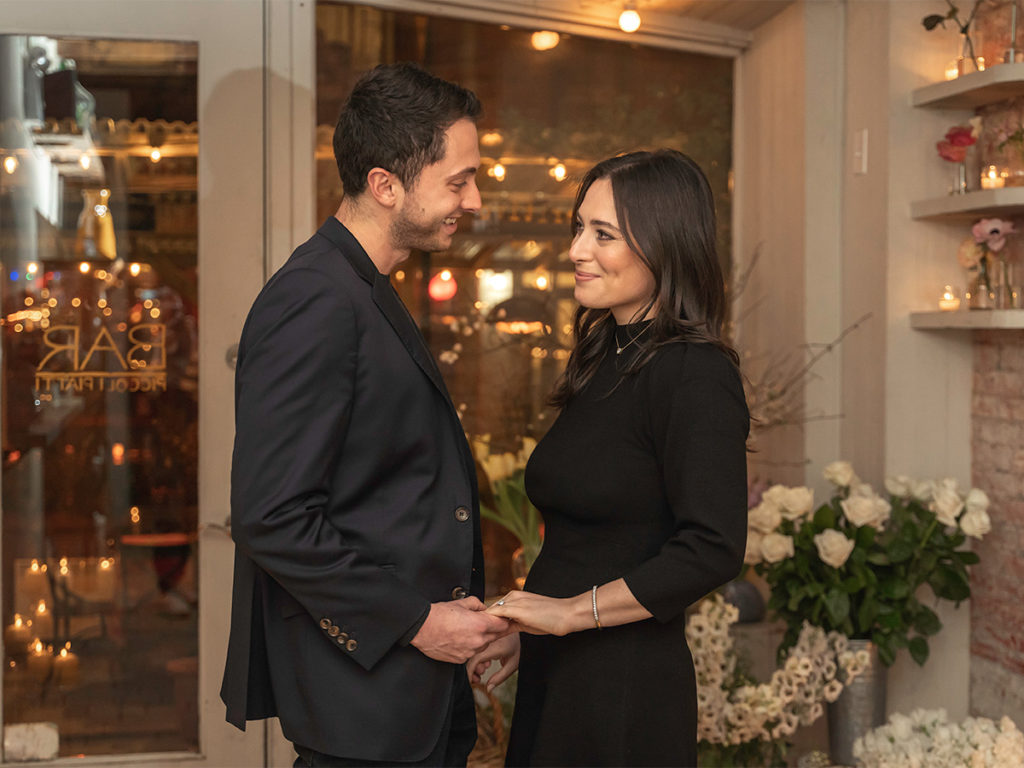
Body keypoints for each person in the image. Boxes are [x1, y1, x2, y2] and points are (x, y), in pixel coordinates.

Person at [220, 63, 510, 768]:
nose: (473, 200)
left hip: (401, 692)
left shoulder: (362, 287)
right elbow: (271, 515)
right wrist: (416, 622)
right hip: (363, 701)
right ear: (386, 185)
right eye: (457, 180)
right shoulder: (317, 299)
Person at [470, 149, 750, 767]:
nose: (576, 250)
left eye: (604, 234)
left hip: (624, 687)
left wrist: (571, 613)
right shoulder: (606, 356)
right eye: (579, 228)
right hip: (562, 669)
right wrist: (534, 629)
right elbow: (587, 540)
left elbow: (713, 545)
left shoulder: (694, 373)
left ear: (664, 244)